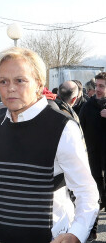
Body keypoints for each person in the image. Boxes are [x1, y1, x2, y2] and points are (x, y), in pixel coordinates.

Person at [0, 47, 99, 243]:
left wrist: (76, 234)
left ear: (38, 83)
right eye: (3, 81)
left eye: (20, 80)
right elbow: (0, 178)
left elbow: (86, 191)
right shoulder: (0, 123)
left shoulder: (62, 127)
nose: (10, 88)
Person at [79, 72, 106, 240]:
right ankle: (92, 230)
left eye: (102, 86)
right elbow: (78, 132)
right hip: (93, 160)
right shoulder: (87, 107)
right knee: (94, 195)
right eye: (96, 86)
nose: (97, 89)